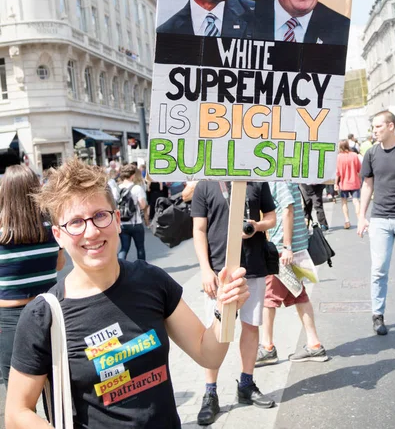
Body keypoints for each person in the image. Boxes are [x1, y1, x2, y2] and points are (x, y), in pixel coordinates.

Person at [5, 158, 249, 429]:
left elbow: (208, 354)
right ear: (58, 235)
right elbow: (17, 412)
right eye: (75, 222)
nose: (91, 231)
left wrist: (226, 306)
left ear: (117, 219)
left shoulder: (151, 281)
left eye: (100, 215)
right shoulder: (44, 316)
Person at [192, 181, 277, 425]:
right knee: (216, 331)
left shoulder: (257, 180)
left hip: (254, 265)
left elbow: (271, 216)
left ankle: (247, 384)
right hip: (219, 270)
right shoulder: (206, 185)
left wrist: (256, 226)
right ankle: (210, 392)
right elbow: (199, 229)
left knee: (251, 326)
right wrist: (205, 269)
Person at [0, 165, 65, 388]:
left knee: (17, 390)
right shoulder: (50, 226)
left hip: (9, 318)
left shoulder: (2, 231)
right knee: (56, 385)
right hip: (47, 310)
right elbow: (60, 264)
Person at [256, 181, 327, 367]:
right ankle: (314, 344)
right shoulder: (284, 177)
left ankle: (267, 347)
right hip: (291, 245)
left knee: (268, 296)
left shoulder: (277, 180)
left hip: (282, 247)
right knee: (298, 293)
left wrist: (286, 246)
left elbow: (288, 209)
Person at [357, 110, 395, 336]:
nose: (374, 131)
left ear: (391, 126)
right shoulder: (372, 153)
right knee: (379, 270)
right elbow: (367, 186)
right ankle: (377, 315)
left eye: (378, 127)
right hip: (380, 219)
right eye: (373, 127)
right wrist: (362, 216)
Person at [117, 164, 148, 261]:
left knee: (124, 248)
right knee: (140, 248)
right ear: (132, 175)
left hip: (122, 223)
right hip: (136, 222)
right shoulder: (137, 188)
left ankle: (120, 267)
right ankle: (142, 269)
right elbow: (143, 206)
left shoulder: (117, 188)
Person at [335, 139, 361, 229]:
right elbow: (359, 170)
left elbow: (337, 172)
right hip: (354, 182)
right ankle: (360, 220)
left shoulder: (338, 157)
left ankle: (347, 221)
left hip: (344, 183)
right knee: (356, 201)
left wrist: (336, 184)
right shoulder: (354, 155)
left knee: (344, 202)